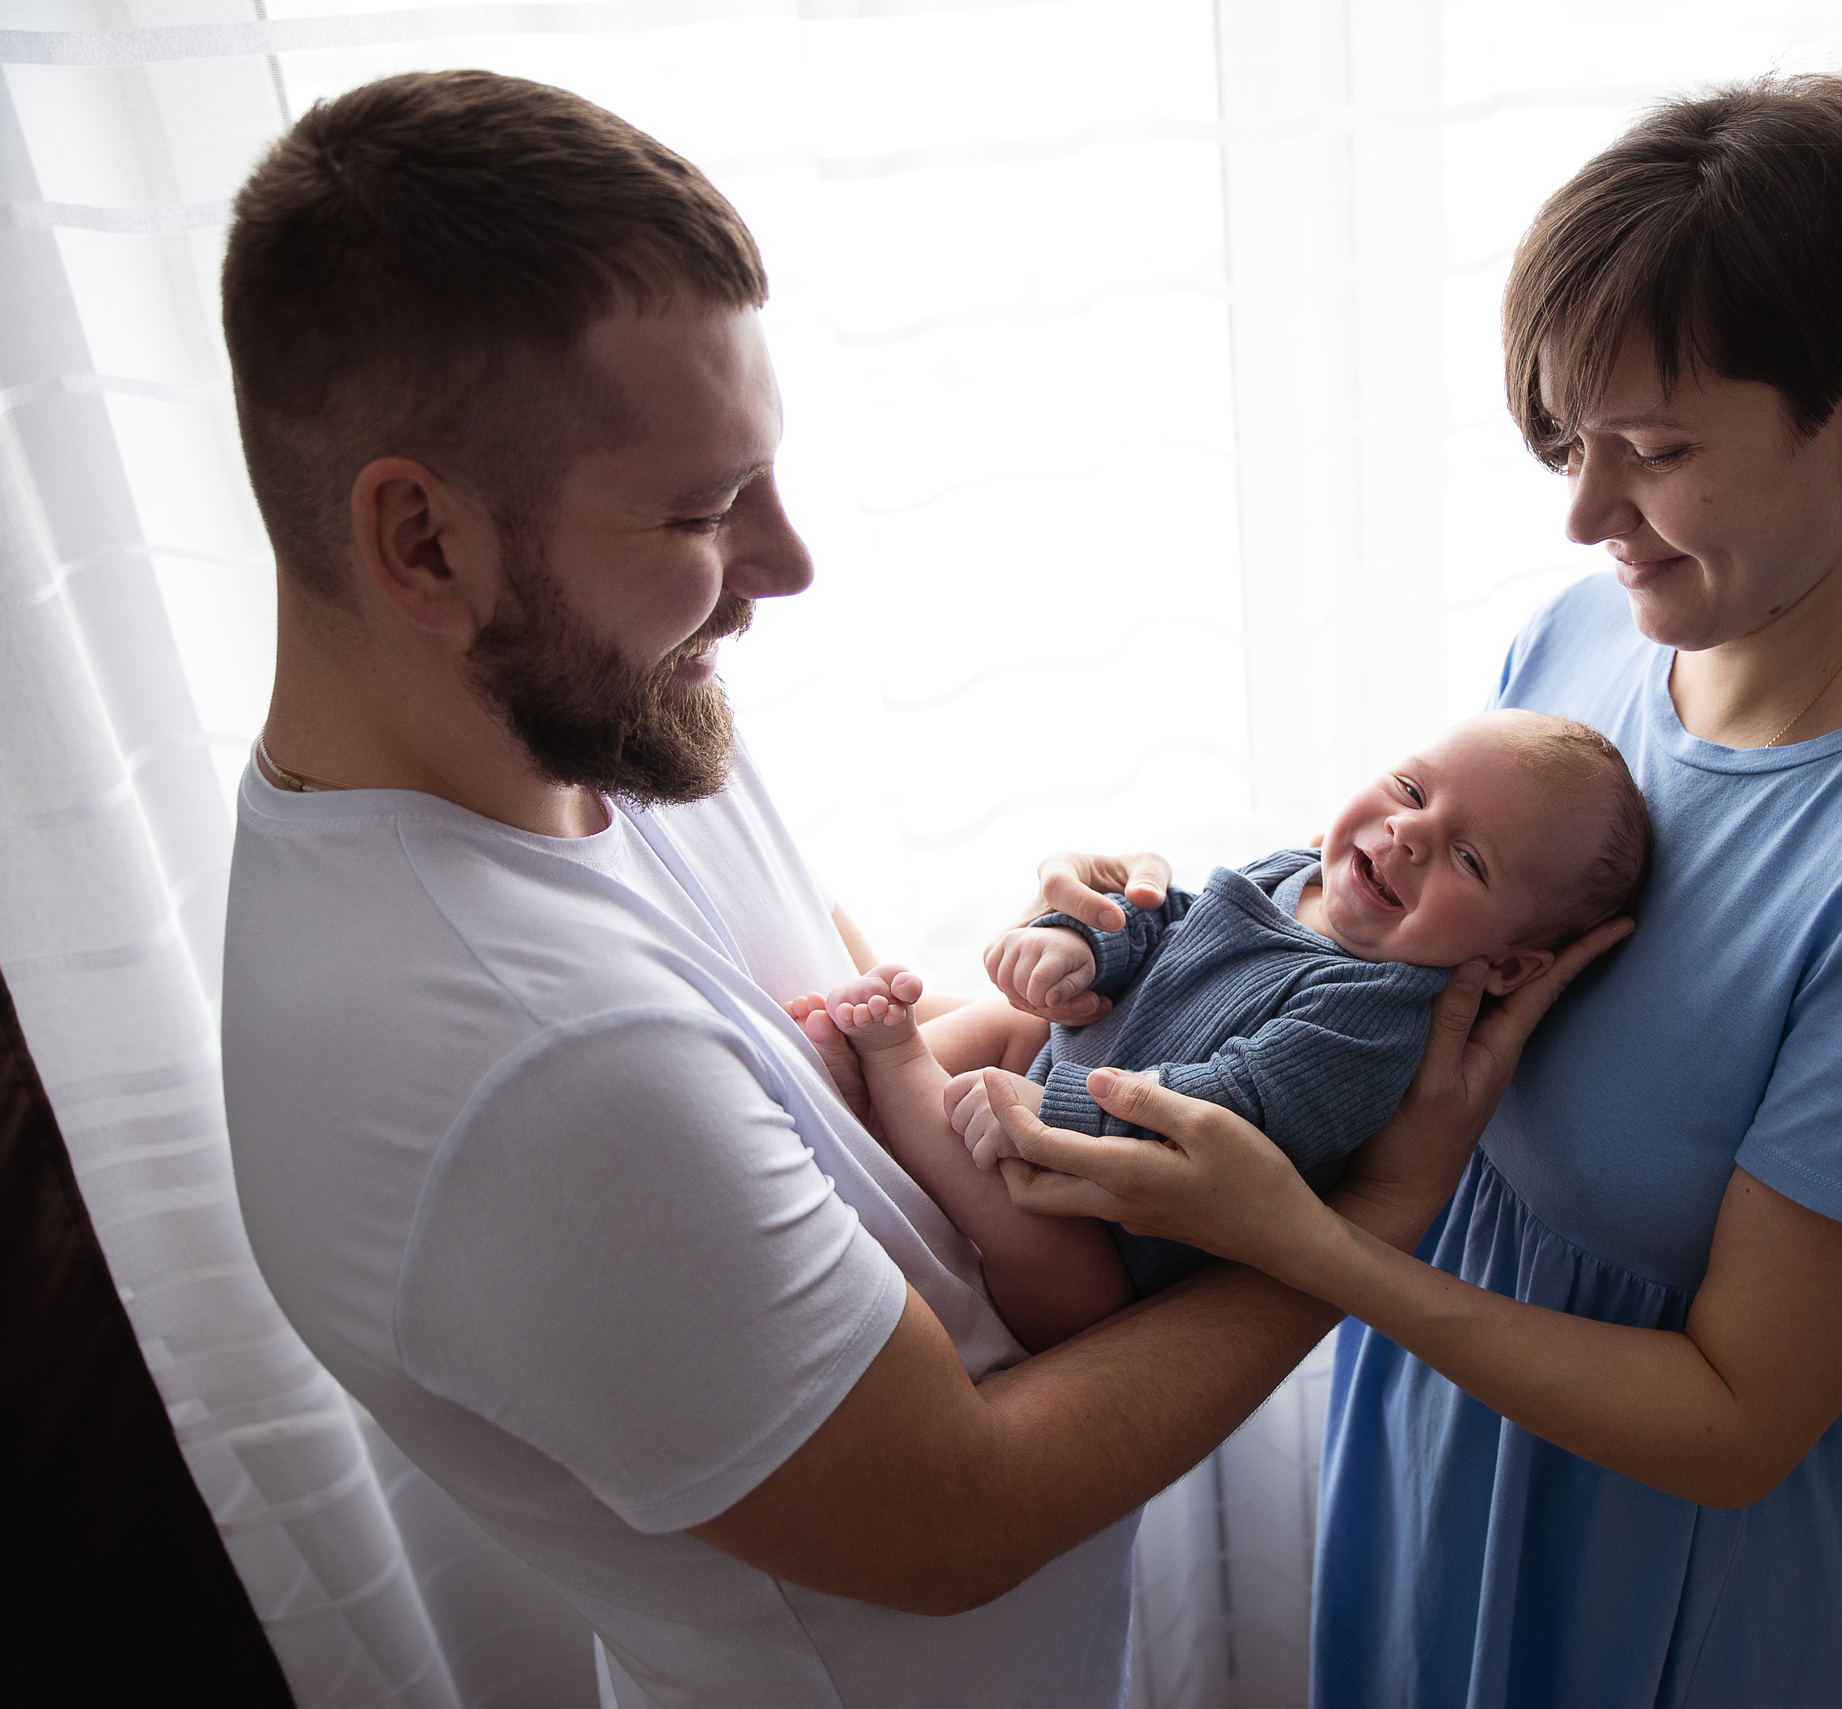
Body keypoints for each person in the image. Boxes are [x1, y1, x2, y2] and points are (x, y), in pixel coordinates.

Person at [214, 71, 1622, 1708]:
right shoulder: (520, 1069)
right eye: (700, 508)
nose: (788, 560)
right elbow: (957, 1513)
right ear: (426, 544)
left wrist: (1081, 965)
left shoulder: (601, 721)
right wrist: (1375, 1212)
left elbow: (811, 1054)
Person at [988, 75, 1842, 1706]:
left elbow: (1735, 1420)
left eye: (1652, 449)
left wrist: (1325, 1247)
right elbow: (1375, 953)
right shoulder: (1584, 647)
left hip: (1662, 1554)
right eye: (1572, 440)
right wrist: (1144, 923)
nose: (1582, 511)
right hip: (1432, 1428)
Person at [814, 709, 1651, 1346]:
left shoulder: (1373, 1020)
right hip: (1059, 1077)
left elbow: (1221, 1114)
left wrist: (1051, 1108)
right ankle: (877, 1081)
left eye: (1471, 859)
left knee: (1021, 1197)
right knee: (1007, 1022)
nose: (1409, 833)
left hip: (1102, 1229)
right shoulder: (1293, 872)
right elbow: (1168, 925)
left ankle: (892, 1074)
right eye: (1411, 789)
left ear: (1506, 968)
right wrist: (1078, 948)